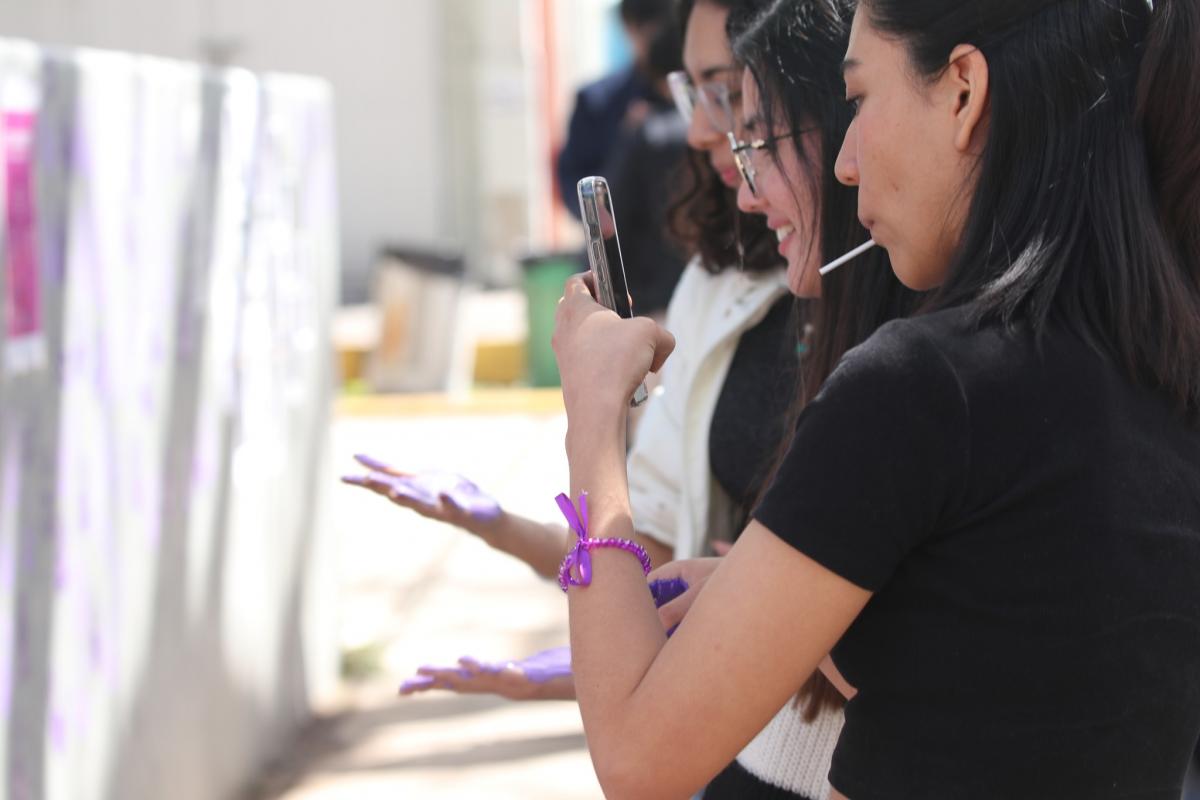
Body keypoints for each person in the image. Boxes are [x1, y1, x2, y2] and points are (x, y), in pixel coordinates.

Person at [551, 0, 1200, 796]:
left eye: (857, 98)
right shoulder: (1161, 372)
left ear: (963, 91)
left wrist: (593, 418)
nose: (846, 161)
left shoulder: (923, 390)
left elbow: (636, 761)